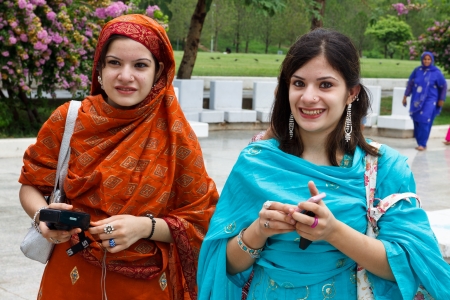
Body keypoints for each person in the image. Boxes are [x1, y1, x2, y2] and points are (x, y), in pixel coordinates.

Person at [198, 29, 450, 299]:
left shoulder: (384, 167)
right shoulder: (257, 161)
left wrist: (333, 231)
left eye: (325, 85)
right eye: (298, 83)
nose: (308, 97)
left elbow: (412, 264)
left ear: (351, 93)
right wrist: (259, 230)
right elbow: (223, 265)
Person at [19, 14, 218, 300]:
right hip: (71, 277)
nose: (126, 76)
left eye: (140, 65)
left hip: (147, 286)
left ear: (158, 72)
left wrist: (144, 227)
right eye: (114, 63)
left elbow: (202, 219)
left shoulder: (176, 135)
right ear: (99, 67)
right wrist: (43, 217)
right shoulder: (70, 120)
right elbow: (31, 185)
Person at [402, 51, 447, 151]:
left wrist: (441, 99)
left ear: (432, 60)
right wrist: (405, 95)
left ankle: (422, 143)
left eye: (429, 59)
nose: (426, 61)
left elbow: (443, 86)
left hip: (430, 100)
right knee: (416, 120)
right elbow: (410, 83)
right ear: (422, 60)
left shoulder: (436, 72)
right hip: (416, 100)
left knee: (424, 120)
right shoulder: (417, 71)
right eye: (425, 59)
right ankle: (420, 141)